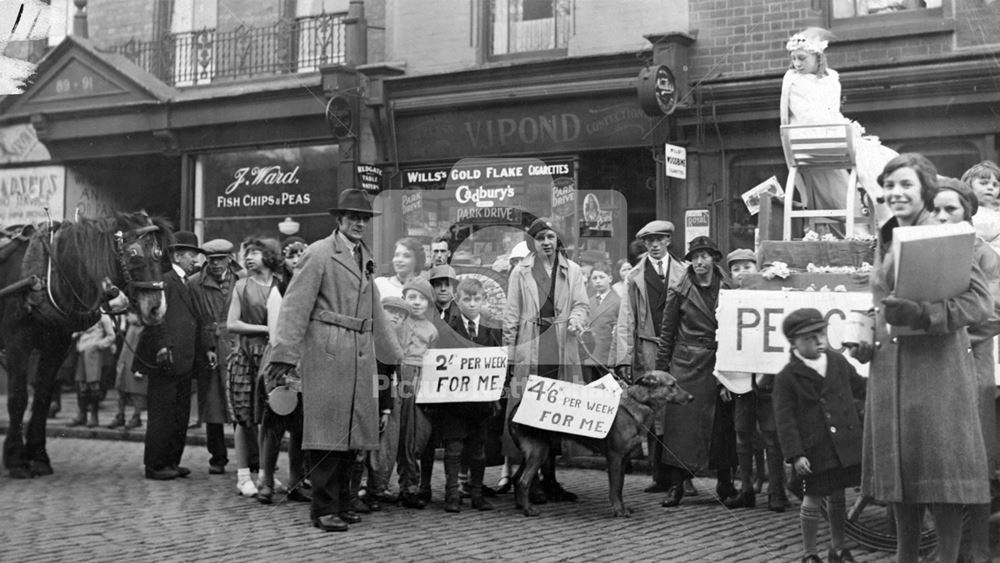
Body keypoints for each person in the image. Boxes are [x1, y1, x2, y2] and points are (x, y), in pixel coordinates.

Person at [851, 153, 991, 561]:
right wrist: (864, 336)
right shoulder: (888, 234)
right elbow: (881, 302)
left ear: (925, 190)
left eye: (906, 185)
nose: (896, 193)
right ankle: (905, 557)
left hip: (935, 372)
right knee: (900, 474)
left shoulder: (947, 233)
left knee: (940, 477)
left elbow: (980, 304)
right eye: (890, 185)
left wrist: (925, 314)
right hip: (889, 370)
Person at [266, 188, 402, 532]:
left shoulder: (364, 256)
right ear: (339, 220)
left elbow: (373, 308)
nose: (359, 223)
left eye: (364, 218)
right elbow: (295, 306)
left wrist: (392, 355)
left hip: (359, 352)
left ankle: (342, 503)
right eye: (352, 217)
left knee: (352, 435)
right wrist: (284, 355)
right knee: (326, 434)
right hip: (327, 350)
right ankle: (323, 509)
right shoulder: (319, 253)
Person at [932, 177, 1000, 563]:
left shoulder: (984, 255)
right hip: (937, 371)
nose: (941, 217)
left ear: (968, 215)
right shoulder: (925, 250)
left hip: (971, 368)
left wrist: (948, 330)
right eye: (936, 209)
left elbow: (995, 311)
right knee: (941, 460)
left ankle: (976, 549)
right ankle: (947, 549)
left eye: (951, 210)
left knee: (974, 459)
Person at [503, 217, 589, 502]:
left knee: (556, 413)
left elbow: (581, 305)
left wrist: (576, 320)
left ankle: (551, 479)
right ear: (533, 243)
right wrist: (509, 355)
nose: (547, 243)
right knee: (531, 413)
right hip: (532, 348)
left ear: (557, 240)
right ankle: (533, 479)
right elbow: (511, 316)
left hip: (561, 347)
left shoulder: (572, 270)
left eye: (550, 237)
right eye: (540, 238)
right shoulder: (521, 272)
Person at [773, 308, 866, 563]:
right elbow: (785, 421)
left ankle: (838, 547)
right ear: (794, 343)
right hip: (813, 450)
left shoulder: (837, 362)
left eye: (821, 334)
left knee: (838, 496)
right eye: (809, 339)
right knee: (812, 499)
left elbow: (860, 386)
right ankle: (810, 553)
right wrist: (796, 454)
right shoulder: (787, 378)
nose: (819, 342)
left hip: (842, 446)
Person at [780, 26, 895, 229]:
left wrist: (843, 126)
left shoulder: (831, 78)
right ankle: (884, 207)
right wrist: (843, 127)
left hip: (830, 134)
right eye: (794, 58)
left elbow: (831, 112)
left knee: (879, 153)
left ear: (818, 58)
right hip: (811, 138)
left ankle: (883, 201)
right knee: (869, 151)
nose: (797, 64)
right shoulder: (794, 82)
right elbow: (810, 118)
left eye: (802, 58)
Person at [655, 235, 737, 508]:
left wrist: (733, 367)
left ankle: (725, 483)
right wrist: (661, 371)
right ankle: (676, 485)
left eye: (705, 256)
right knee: (681, 428)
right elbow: (667, 332)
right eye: (695, 257)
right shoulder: (679, 289)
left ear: (714, 258)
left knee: (722, 426)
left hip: (719, 362)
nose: (700, 262)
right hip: (686, 365)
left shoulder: (729, 287)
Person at [611, 219, 686, 494]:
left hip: (677, 349)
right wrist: (623, 358)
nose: (654, 245)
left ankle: (681, 478)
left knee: (676, 412)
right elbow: (626, 320)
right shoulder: (634, 277)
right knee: (652, 411)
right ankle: (658, 476)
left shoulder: (683, 272)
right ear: (644, 244)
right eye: (649, 241)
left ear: (668, 241)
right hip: (647, 349)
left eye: (659, 240)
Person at [721, 249, 791, 513]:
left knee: (772, 436)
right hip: (740, 380)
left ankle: (776, 491)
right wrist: (723, 381)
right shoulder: (728, 300)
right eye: (736, 268)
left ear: (757, 268)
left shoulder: (769, 296)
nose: (742, 273)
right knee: (743, 436)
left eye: (747, 267)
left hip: (768, 380)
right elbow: (723, 341)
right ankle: (747, 489)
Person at [135, 231, 207, 481]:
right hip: (167, 358)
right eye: (191, 256)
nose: (195, 261)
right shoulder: (164, 280)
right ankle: (155, 465)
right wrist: (162, 347)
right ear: (178, 255)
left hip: (185, 360)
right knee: (162, 415)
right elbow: (156, 317)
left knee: (179, 414)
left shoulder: (187, 282)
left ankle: (171, 462)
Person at [437, 277, 501, 513]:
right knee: (453, 449)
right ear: (457, 300)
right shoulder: (448, 328)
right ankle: (452, 494)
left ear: (484, 300)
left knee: (478, 449)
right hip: (454, 402)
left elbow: (500, 363)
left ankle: (476, 493)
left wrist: (496, 394)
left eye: (477, 299)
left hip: (481, 402)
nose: (472, 304)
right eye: (467, 299)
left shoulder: (492, 329)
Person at [227, 238, 282, 497]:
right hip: (245, 356)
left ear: (269, 256)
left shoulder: (280, 285)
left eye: (255, 252)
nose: (249, 257)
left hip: (271, 358)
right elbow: (232, 323)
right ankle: (242, 475)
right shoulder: (241, 286)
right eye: (246, 252)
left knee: (270, 418)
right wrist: (265, 329)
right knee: (243, 417)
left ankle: (266, 474)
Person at [256, 269, 308, 505]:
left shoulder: (313, 291)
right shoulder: (279, 291)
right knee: (275, 422)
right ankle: (266, 480)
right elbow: (276, 331)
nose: (297, 262)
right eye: (292, 257)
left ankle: (295, 482)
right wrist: (286, 362)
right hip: (282, 361)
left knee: (300, 427)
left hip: (307, 361)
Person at [188, 238, 239, 475]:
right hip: (210, 346)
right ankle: (217, 457)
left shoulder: (244, 279)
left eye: (220, 259)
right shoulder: (194, 283)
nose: (215, 264)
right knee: (212, 406)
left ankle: (251, 458)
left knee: (242, 402)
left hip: (238, 344)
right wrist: (206, 346)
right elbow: (195, 320)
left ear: (230, 258)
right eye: (210, 260)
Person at [392, 277, 439, 509]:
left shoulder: (431, 330)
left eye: (422, 299)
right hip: (398, 377)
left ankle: (410, 486)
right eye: (412, 297)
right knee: (395, 434)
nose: (417, 303)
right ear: (404, 299)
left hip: (420, 381)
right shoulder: (399, 323)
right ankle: (377, 485)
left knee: (415, 436)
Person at [67, 313, 116, 428]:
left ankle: (94, 417)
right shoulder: (83, 315)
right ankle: (82, 415)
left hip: (93, 353)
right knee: (81, 384)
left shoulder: (103, 317)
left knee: (94, 384)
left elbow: (111, 336)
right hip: (81, 351)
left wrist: (99, 345)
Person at [580, 262, 620, 383]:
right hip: (588, 355)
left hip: (606, 357)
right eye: (594, 278)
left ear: (610, 279)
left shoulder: (618, 302)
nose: (598, 281)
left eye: (601, 277)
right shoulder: (588, 301)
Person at [108, 312, 146, 430]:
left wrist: (140, 319)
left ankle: (136, 416)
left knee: (137, 387)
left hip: (140, 348)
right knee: (121, 383)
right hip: (127, 349)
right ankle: (120, 415)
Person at [962, 160, 1000, 255]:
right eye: (984, 183)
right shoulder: (969, 213)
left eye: (995, 185)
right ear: (969, 186)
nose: (990, 188)